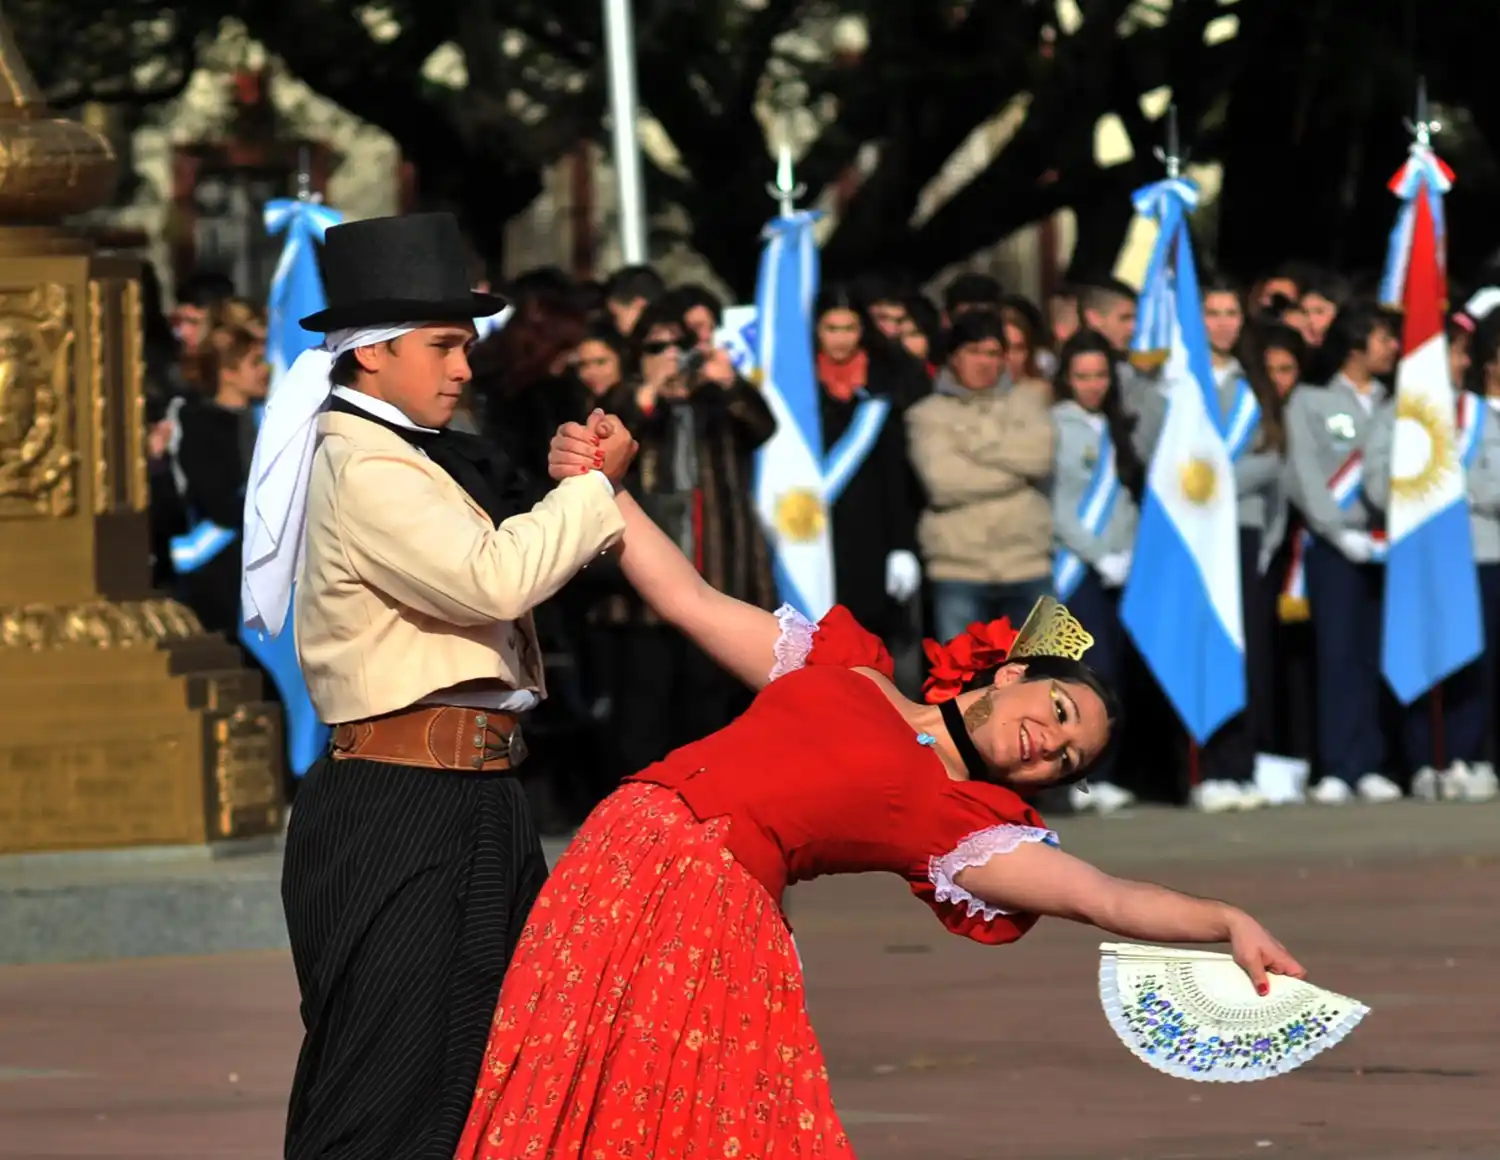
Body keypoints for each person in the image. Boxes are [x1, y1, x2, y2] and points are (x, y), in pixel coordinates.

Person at [454, 412, 1305, 1160]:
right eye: (1058, 709)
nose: (1053, 745)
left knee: (677, 1119)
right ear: (1010, 672)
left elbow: (1102, 897)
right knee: (561, 1078)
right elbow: (687, 597)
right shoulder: (840, 666)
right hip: (620, 851)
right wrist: (605, 485)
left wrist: (1223, 920)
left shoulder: (962, 824)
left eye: (1069, 760)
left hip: (708, 914)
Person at [239, 212, 638, 1160]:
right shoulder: (366, 459)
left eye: (465, 345)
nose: (463, 367)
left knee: (494, 1070)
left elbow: (497, 568)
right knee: (386, 1090)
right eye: (444, 345)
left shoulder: (408, 451)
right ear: (370, 355)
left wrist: (569, 494)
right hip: (401, 799)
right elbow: (493, 578)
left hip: (468, 796)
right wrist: (590, 494)